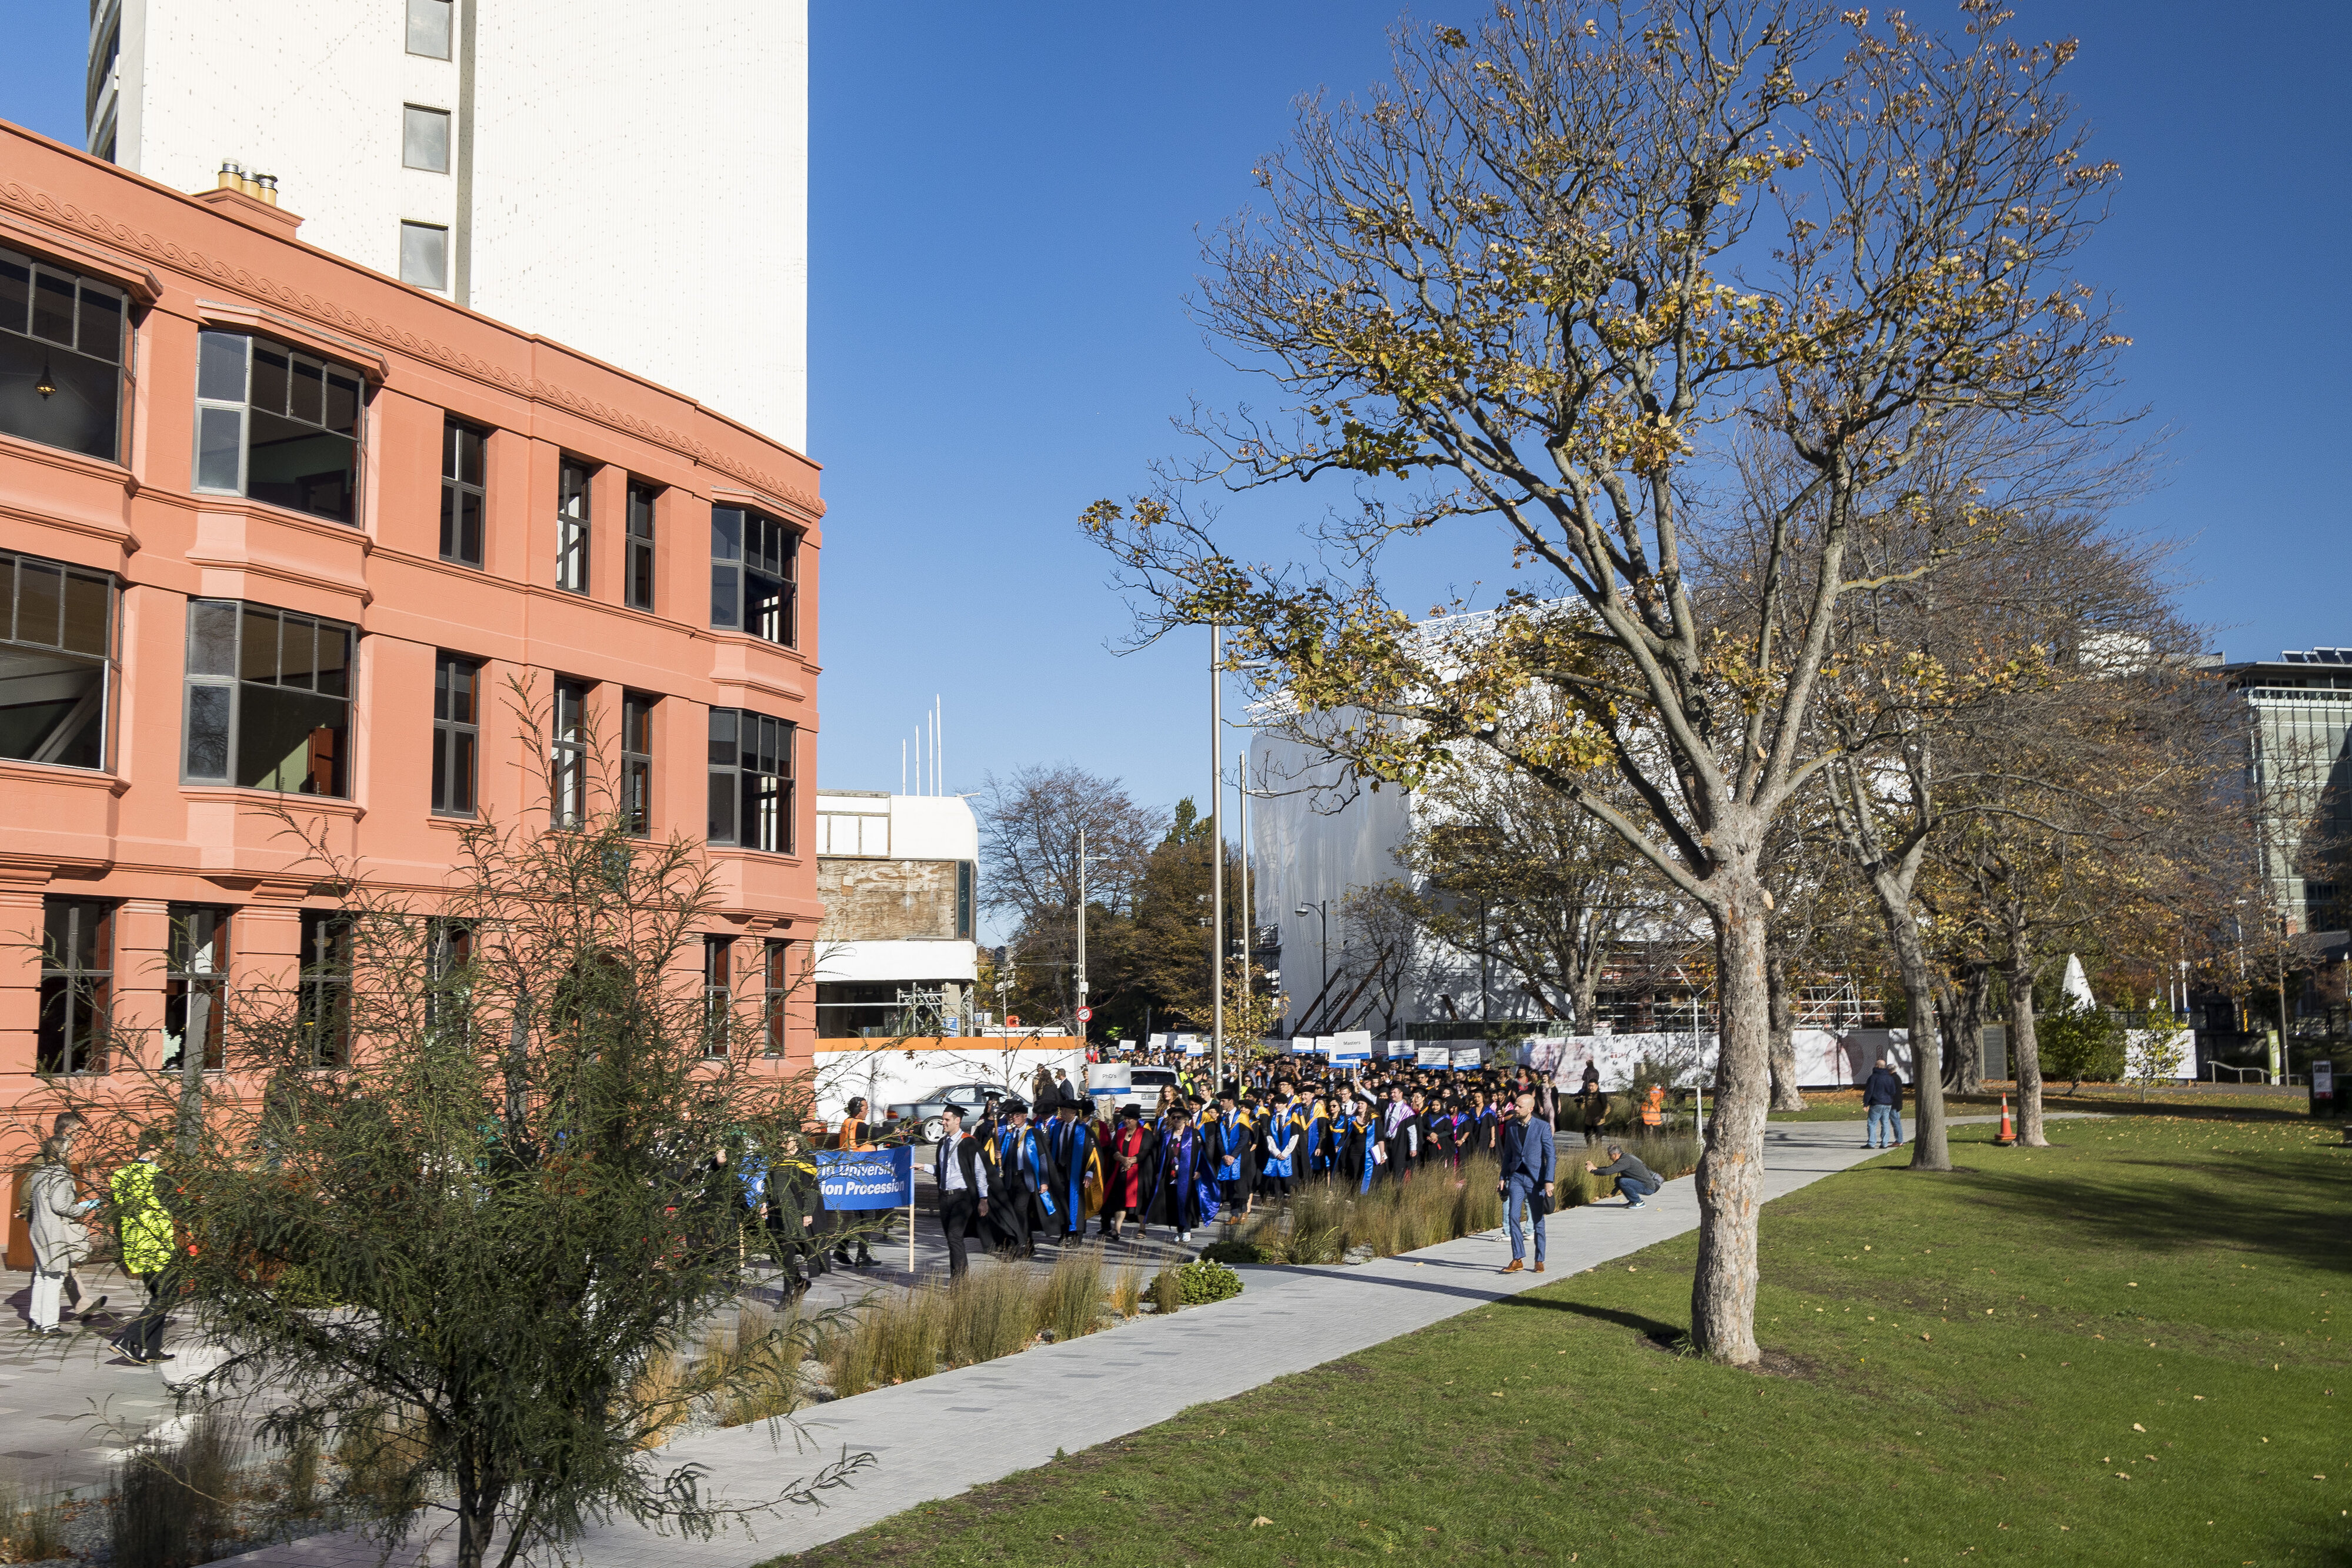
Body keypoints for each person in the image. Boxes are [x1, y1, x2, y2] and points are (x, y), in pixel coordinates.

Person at [109, 1130, 178, 1365]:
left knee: (159, 1296)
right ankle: (128, 1340)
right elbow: (179, 1206)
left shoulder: (120, 1175)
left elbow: (115, 1214)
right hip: (157, 1244)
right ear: (154, 1148)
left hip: (134, 1245)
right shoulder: (160, 1176)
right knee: (169, 1295)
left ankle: (151, 1349)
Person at [25, 1135, 99, 1336]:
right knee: (55, 1277)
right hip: (53, 1231)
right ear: (62, 1152)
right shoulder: (60, 1174)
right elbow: (61, 1206)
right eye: (69, 1149)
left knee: (42, 1276)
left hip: (38, 1227)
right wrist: (85, 1208)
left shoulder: (39, 1174)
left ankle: (36, 1321)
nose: (71, 1153)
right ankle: (49, 1325)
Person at [1497, 1091, 1556, 1273]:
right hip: (1516, 1178)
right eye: (1515, 1105)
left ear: (1530, 1109)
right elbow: (1508, 1155)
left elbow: (1551, 1155)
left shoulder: (1542, 1127)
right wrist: (1502, 1177)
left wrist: (1548, 1180)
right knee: (1513, 1216)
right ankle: (1518, 1258)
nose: (1515, 1108)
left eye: (1519, 1106)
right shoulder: (1511, 1126)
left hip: (1536, 1179)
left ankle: (1539, 1259)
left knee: (1538, 1220)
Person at [766, 1132, 828, 1293]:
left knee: (787, 1253)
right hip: (776, 1212)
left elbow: (811, 1188)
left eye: (787, 1139)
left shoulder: (805, 1158)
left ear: (796, 1139)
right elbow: (769, 1182)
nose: (783, 1142)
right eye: (781, 1139)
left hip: (794, 1213)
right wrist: (763, 1203)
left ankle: (787, 1296)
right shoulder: (777, 1157)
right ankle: (800, 1283)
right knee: (778, 1253)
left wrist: (808, 1212)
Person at [933, 1107, 988, 1279]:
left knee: (954, 1237)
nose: (943, 1122)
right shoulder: (943, 1143)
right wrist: (923, 1167)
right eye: (943, 1119)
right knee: (952, 1241)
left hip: (962, 1198)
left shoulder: (969, 1143)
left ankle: (960, 1283)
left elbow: (979, 1172)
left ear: (957, 1121)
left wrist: (983, 1198)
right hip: (944, 1197)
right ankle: (958, 1277)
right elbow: (941, 1170)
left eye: (946, 1120)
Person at [1144, 1106, 1206, 1244]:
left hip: (1188, 1174)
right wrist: (1158, 1171)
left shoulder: (1193, 1134)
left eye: (1179, 1118)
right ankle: (1179, 1230)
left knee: (1186, 1202)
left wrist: (1199, 1170)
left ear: (1185, 1120)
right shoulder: (1167, 1135)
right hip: (1171, 1174)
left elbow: (1202, 1154)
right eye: (1174, 1117)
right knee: (1174, 1202)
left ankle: (1188, 1230)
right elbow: (1159, 1155)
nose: (1176, 1120)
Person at [829, 1098, 878, 1267]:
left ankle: (841, 1250)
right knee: (868, 1216)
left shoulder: (848, 1124)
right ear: (858, 1110)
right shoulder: (857, 1125)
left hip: (853, 1176)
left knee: (859, 1217)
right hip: (860, 1177)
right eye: (865, 1108)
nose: (867, 1111)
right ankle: (862, 1256)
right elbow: (876, 1133)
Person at [1042, 1097, 1097, 1243]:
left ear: (1074, 1112)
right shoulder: (1057, 1127)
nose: (1063, 1114)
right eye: (1062, 1111)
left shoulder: (1084, 1129)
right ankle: (1064, 1232)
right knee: (1061, 1202)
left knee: (1077, 1202)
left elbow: (1091, 1152)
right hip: (1059, 1170)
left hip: (1076, 1172)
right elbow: (1049, 1147)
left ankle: (1076, 1235)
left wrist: (1090, 1172)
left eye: (1066, 1111)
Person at [1099, 1105, 1151, 1242]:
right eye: (1125, 1118)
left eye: (1130, 1119)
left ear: (1136, 1120)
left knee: (1139, 1203)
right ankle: (1117, 1229)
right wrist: (1123, 1159)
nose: (1127, 1121)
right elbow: (1114, 1149)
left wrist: (1132, 1161)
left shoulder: (1145, 1133)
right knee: (1120, 1201)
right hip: (1121, 1172)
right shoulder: (1120, 1133)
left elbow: (1146, 1151)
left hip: (1139, 1174)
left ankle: (1142, 1228)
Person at [1584, 1142, 1661, 1209]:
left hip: (1648, 1188)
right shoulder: (1624, 1157)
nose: (1609, 1158)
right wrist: (1596, 1168)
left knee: (1623, 1181)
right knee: (1618, 1180)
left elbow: (1608, 1172)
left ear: (1615, 1155)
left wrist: (1593, 1171)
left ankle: (1638, 1202)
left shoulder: (1624, 1161)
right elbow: (1610, 1168)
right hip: (1645, 1185)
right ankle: (1632, 1201)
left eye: (1610, 1156)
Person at [1864, 1057, 1906, 1149]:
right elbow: (1892, 1091)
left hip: (1877, 1102)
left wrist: (1866, 1103)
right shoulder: (1889, 1078)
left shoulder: (1874, 1077)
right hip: (1888, 1103)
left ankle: (1872, 1143)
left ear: (1878, 1066)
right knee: (1885, 1123)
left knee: (1872, 1123)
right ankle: (1885, 1143)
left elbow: (1869, 1091)